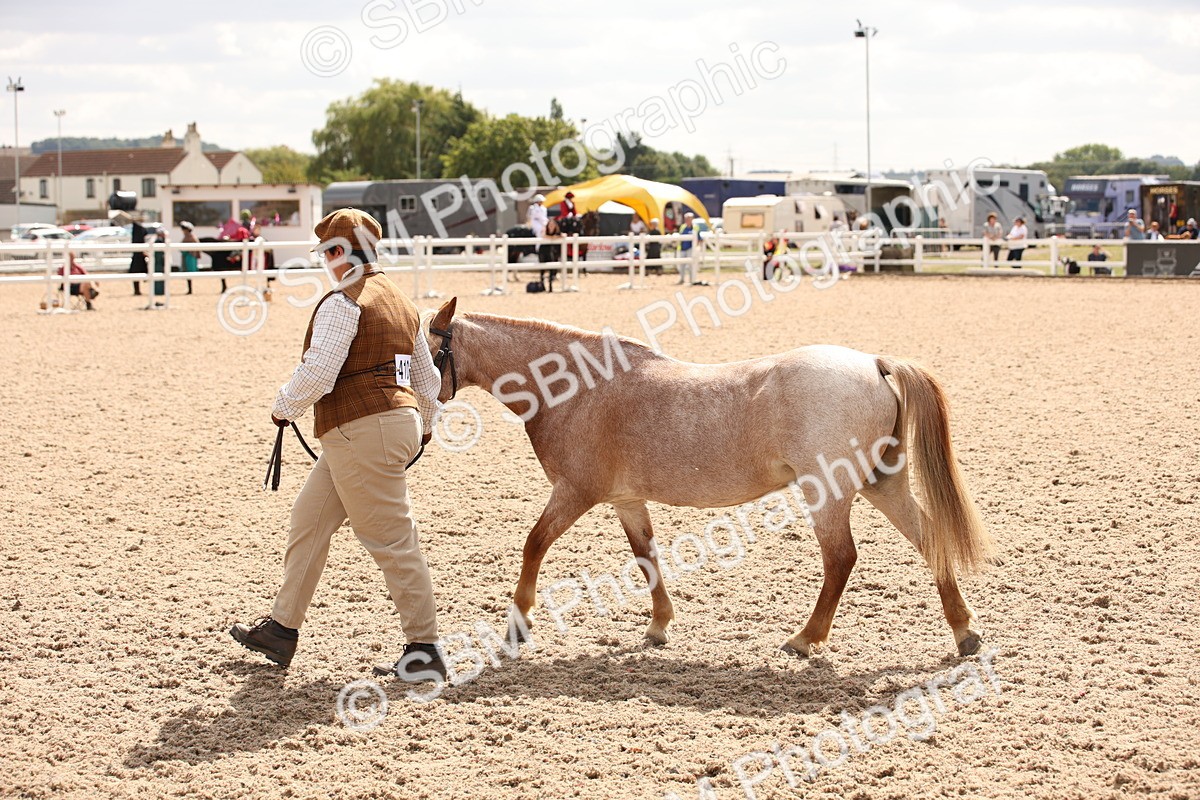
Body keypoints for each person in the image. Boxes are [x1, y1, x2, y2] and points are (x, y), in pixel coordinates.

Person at [231, 208, 446, 682]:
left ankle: (425, 648)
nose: (327, 261)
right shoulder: (401, 302)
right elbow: (427, 380)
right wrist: (424, 425)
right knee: (309, 520)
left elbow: (319, 372)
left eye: (329, 252)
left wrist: (283, 406)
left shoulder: (342, 302)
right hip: (387, 424)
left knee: (391, 540)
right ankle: (281, 628)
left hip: (360, 428)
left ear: (342, 252)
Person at [180, 221, 199, 295]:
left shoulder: (190, 237)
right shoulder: (189, 236)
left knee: (189, 272)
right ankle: (190, 289)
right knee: (188, 273)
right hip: (188, 256)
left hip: (189, 257)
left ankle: (190, 289)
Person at [677, 212, 696, 284]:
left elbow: (699, 238)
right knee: (681, 265)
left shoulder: (695, 227)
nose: (688, 220)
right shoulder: (682, 227)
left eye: (689, 219)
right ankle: (682, 279)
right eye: (686, 219)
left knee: (690, 265)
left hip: (690, 248)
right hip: (682, 248)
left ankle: (691, 280)